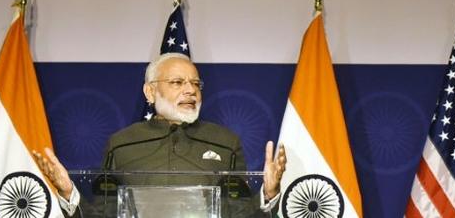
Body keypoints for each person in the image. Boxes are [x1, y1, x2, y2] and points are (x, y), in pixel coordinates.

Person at [33, 53, 287, 217]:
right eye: (177, 83)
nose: (190, 90)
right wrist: (69, 193)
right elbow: (103, 214)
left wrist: (268, 194)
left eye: (196, 84)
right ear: (150, 92)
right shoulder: (121, 144)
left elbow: (241, 214)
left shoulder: (225, 142)